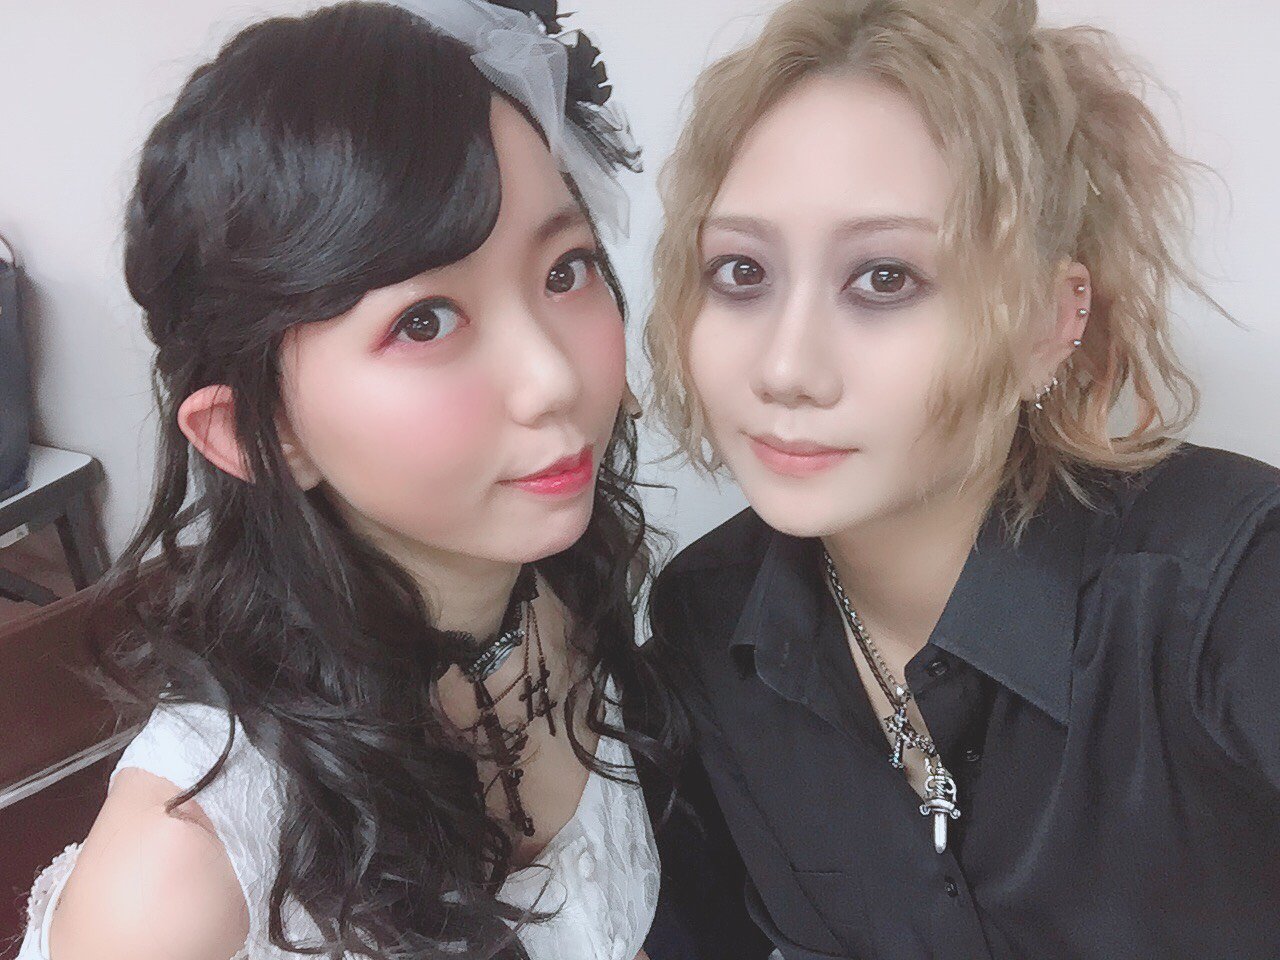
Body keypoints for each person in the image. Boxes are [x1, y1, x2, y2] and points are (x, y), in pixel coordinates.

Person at [16, 2, 668, 958]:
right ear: (255, 432)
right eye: (424, 321)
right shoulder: (180, 877)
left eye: (565, 270)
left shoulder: (557, 586)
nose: (553, 379)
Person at [641, 0, 1280, 957]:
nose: (784, 368)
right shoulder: (710, 627)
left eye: (884, 278)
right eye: (740, 272)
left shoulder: (1230, 593)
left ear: (1048, 324)